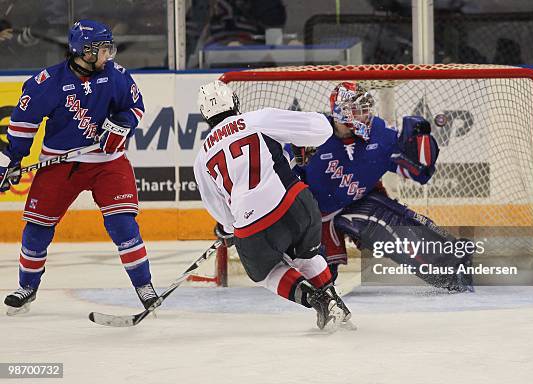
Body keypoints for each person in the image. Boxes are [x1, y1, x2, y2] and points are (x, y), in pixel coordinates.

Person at [1, 20, 158, 315]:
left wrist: (122, 125)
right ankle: (27, 287)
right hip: (61, 162)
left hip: (107, 163)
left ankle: (145, 287)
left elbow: (135, 107)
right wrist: (13, 160)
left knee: (123, 225)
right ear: (82, 51)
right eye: (101, 50)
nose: (108, 56)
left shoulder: (116, 76)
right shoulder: (46, 83)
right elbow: (23, 125)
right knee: (37, 227)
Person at [194, 80, 353, 331]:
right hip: (297, 204)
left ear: (205, 116)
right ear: (235, 102)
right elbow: (322, 129)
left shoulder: (201, 157)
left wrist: (227, 228)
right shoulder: (258, 119)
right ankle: (334, 302)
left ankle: (316, 300)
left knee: (266, 273)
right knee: (307, 256)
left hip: (252, 226)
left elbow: (217, 206)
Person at [291, 82, 473, 292]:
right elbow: (283, 174)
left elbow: (418, 173)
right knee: (319, 283)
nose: (366, 115)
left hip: (358, 203)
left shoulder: (380, 132)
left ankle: (452, 266)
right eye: (359, 110)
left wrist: (421, 150)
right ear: (341, 113)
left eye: (367, 108)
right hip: (314, 215)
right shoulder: (311, 133)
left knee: (396, 225)